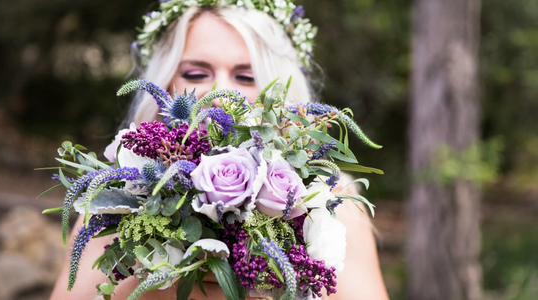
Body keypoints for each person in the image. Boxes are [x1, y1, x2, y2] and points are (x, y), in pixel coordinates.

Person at [50, 1, 389, 299]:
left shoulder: (329, 199)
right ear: (165, 83)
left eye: (246, 76)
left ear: (280, 88)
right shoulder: (115, 197)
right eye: (197, 73)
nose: (221, 91)